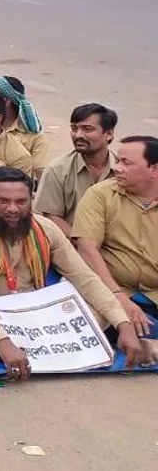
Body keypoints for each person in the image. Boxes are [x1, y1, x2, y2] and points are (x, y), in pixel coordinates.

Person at [0, 167, 141, 378]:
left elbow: (84, 277)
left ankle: (22, 345)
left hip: (31, 309)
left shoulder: (45, 228)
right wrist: (2, 341)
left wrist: (123, 324)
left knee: (100, 314)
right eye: (3, 201)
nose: (13, 209)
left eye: (21, 202)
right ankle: (4, 343)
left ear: (31, 200)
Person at [71, 135, 158, 360]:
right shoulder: (100, 195)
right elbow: (87, 250)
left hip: (154, 295)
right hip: (113, 291)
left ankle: (146, 341)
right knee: (92, 322)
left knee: (143, 325)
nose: (117, 168)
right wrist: (118, 297)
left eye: (126, 163)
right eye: (118, 161)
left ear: (154, 169)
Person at [35, 103, 119, 236]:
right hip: (70, 242)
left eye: (87, 129)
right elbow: (50, 216)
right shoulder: (58, 169)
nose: (78, 135)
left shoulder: (124, 171)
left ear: (108, 134)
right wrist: (83, 243)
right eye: (74, 129)